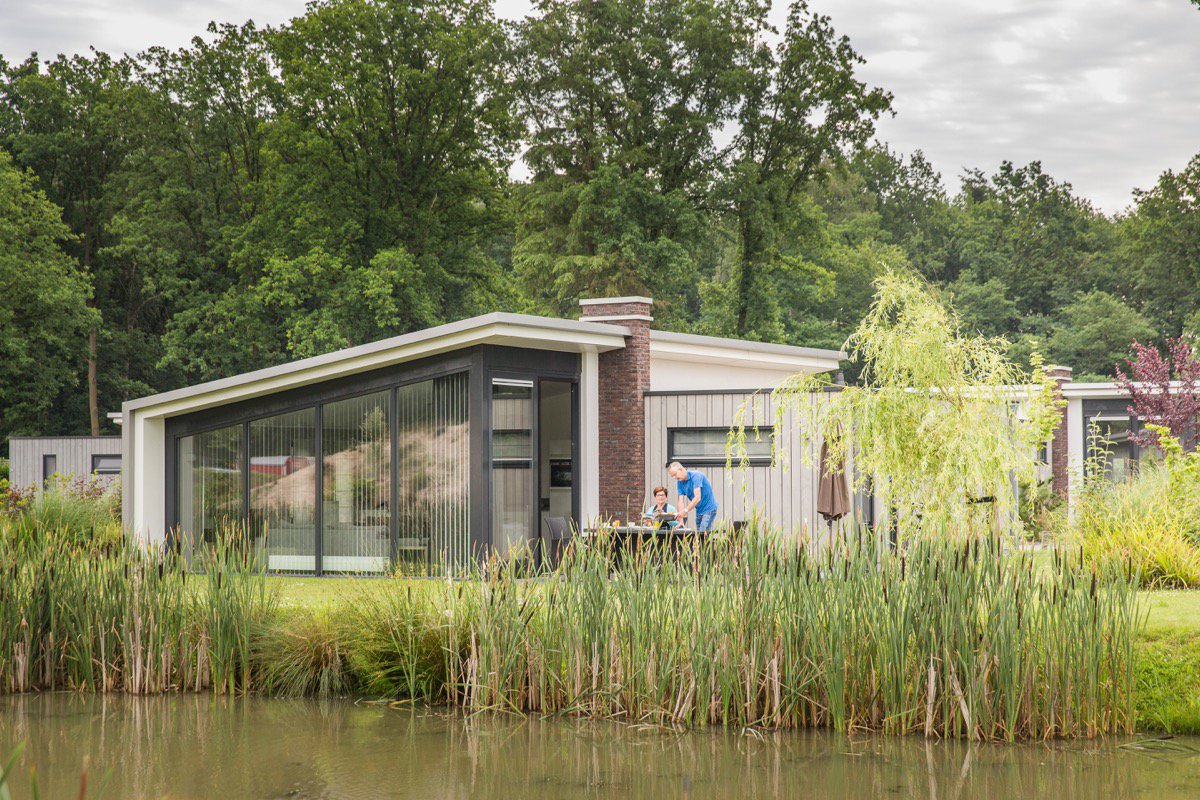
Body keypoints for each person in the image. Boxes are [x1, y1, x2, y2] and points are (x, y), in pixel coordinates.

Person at [667, 461, 718, 531]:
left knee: (703, 533)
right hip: (699, 510)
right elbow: (680, 501)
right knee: (698, 535)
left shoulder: (696, 476)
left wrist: (685, 511)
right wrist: (681, 520)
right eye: (672, 476)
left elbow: (697, 498)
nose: (675, 477)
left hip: (709, 508)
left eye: (675, 474)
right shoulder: (680, 482)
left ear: (681, 469)